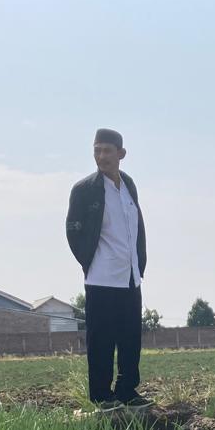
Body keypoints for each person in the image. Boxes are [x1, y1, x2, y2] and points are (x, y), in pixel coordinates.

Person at [65, 128, 150, 409]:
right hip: (101, 276)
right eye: (97, 150)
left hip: (130, 276)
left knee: (130, 338)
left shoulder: (128, 186)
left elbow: (136, 228)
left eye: (107, 151)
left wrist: (139, 263)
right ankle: (102, 395)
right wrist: (89, 261)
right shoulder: (85, 189)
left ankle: (127, 390)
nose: (101, 156)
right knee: (101, 339)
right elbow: (73, 232)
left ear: (121, 154)